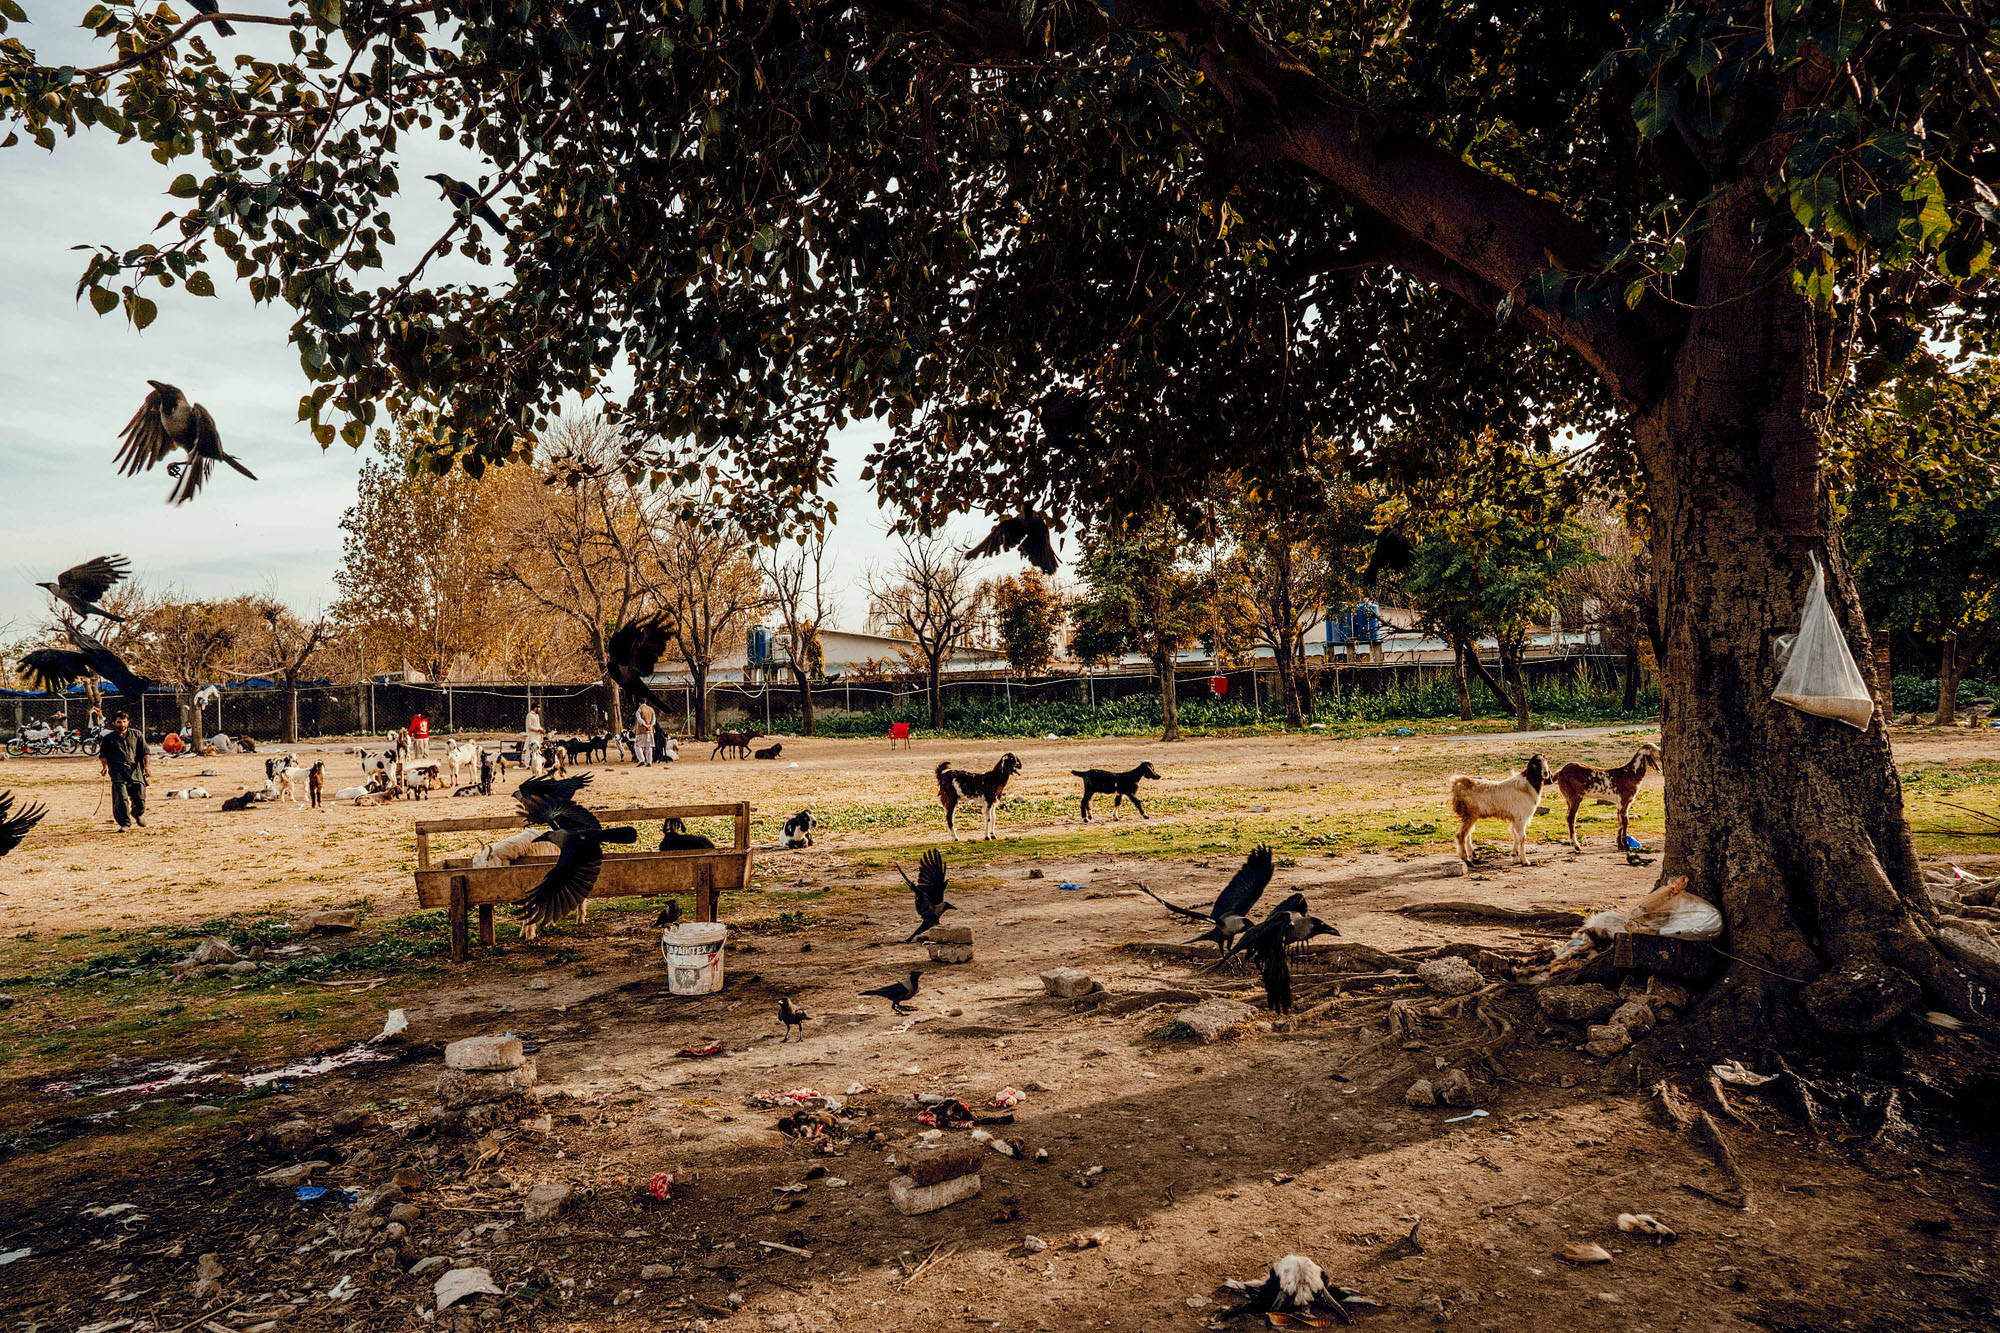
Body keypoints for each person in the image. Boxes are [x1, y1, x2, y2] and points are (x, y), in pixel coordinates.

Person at [99, 709, 149, 831]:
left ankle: (137, 813)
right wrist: (105, 767)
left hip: (135, 770)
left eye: (124, 722)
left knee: (140, 796)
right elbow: (103, 755)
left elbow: (145, 752)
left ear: (128, 722)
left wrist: (146, 767)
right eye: (119, 722)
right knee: (121, 798)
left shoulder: (137, 735)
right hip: (117, 771)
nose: (122, 724)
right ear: (114, 723)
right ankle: (124, 823)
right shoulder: (108, 738)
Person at [633, 699, 656, 765]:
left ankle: (642, 760)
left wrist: (645, 725)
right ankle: (649, 761)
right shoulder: (651, 709)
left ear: (639, 703)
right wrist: (650, 726)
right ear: (645, 702)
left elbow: (639, 719)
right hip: (650, 731)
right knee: (648, 746)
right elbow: (654, 719)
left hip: (641, 731)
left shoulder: (639, 710)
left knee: (638, 746)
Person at [524, 703, 545, 773]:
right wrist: (538, 730)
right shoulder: (529, 715)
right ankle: (527, 764)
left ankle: (536, 763)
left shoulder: (537, 715)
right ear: (535, 708)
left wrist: (541, 729)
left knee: (538, 749)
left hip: (537, 735)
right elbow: (529, 726)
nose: (539, 709)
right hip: (531, 735)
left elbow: (538, 725)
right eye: (538, 707)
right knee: (529, 749)